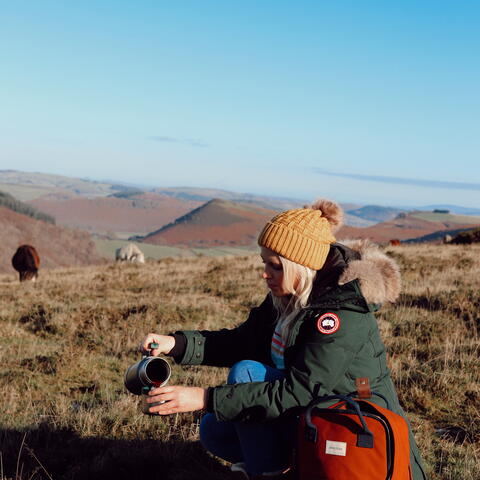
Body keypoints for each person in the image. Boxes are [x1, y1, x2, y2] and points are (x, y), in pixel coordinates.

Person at [139, 199, 427, 480]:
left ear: (300, 265)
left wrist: (204, 397)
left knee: (245, 374)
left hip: (354, 425)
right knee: (215, 430)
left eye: (275, 266)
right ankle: (279, 465)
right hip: (310, 409)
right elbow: (242, 341)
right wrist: (176, 344)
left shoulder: (341, 312)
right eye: (264, 262)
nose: (265, 274)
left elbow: (300, 391)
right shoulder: (287, 296)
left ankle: (267, 472)